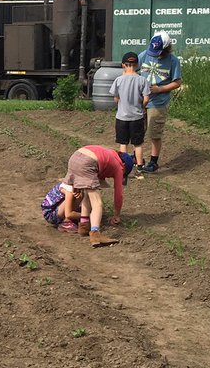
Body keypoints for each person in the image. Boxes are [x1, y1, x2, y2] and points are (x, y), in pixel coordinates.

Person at [62, 146, 135, 247]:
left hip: (75, 157)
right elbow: (119, 194)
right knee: (97, 203)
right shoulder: (119, 166)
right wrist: (117, 215)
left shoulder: (108, 153)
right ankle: (95, 234)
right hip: (88, 162)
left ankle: (84, 226)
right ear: (124, 166)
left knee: (88, 195)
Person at [137, 31, 182, 173]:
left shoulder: (173, 61)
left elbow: (177, 82)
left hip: (158, 102)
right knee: (137, 130)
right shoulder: (144, 55)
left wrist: (160, 89)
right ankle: (137, 158)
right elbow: (132, 71)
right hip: (139, 100)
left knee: (154, 132)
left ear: (167, 48)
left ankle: (153, 162)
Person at [111, 52, 151, 169]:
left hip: (122, 117)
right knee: (137, 144)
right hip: (137, 117)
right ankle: (139, 167)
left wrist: (121, 103)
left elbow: (115, 98)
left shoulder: (118, 80)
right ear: (137, 65)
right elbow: (146, 98)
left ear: (123, 65)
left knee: (123, 143)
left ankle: (123, 167)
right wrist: (141, 106)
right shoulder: (142, 80)